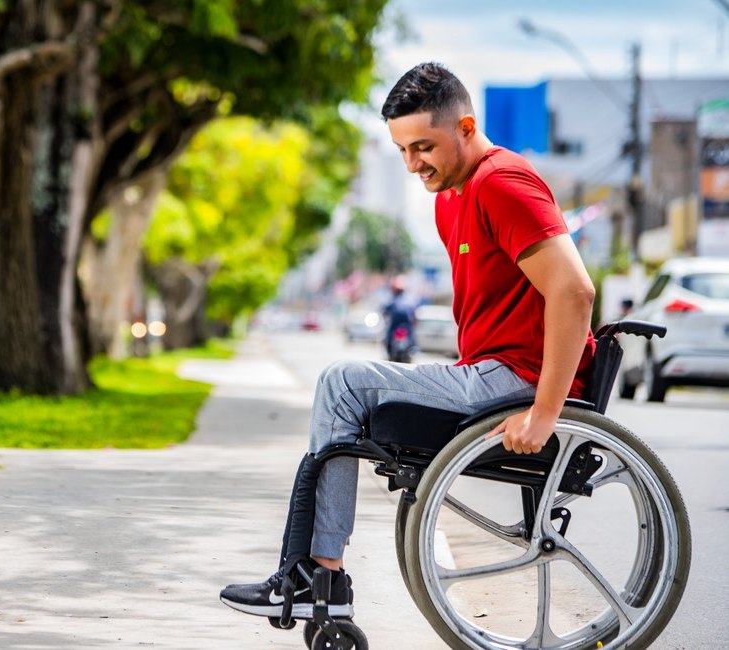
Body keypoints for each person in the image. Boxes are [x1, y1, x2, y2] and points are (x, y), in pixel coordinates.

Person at [220, 62, 596, 620]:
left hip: (514, 378)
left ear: (466, 128)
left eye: (423, 146)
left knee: (342, 382)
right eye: (401, 150)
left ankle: (317, 578)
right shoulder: (451, 198)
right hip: (486, 371)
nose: (413, 164)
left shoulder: (502, 183)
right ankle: (316, 576)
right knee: (346, 393)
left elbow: (574, 291)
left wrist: (545, 412)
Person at [381, 275, 416, 360]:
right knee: (412, 339)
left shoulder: (393, 301)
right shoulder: (409, 301)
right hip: (403, 328)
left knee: (388, 338)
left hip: (399, 328)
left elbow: (384, 311)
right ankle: (413, 351)